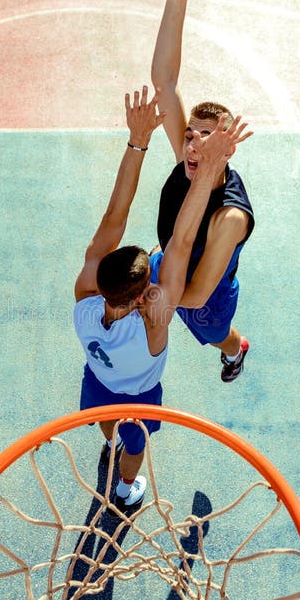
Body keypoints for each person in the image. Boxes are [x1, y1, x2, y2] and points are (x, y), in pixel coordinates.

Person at [74, 85, 251, 509]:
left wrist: (137, 142)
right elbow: (181, 242)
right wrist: (208, 173)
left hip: (98, 383)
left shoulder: (84, 296)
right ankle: (125, 487)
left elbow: (114, 214)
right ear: (144, 298)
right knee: (134, 447)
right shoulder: (156, 322)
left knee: (103, 421)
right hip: (138, 399)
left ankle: (108, 441)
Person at [151, 0, 255, 382]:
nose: (192, 144)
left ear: (227, 147)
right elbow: (164, 80)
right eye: (190, 134)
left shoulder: (230, 217)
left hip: (206, 297)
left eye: (206, 137)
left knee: (217, 336)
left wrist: (148, 299)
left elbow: (192, 294)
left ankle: (237, 350)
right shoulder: (189, 158)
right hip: (171, 264)